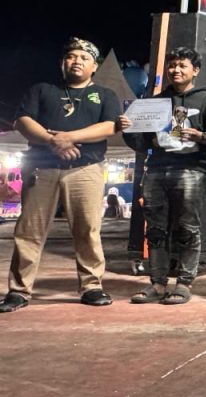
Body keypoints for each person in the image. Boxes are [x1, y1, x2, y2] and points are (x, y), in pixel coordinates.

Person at [0, 38, 119, 313]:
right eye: (71, 56)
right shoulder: (42, 89)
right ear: (62, 62)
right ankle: (19, 290)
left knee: (87, 229)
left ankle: (91, 286)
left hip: (86, 169)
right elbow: (23, 121)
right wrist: (52, 141)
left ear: (94, 67)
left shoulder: (104, 94)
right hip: (42, 167)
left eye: (84, 58)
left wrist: (69, 137)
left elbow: (109, 126)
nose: (76, 61)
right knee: (29, 230)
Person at [120, 47, 206, 305]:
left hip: (192, 169)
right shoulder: (155, 102)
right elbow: (142, 143)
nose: (176, 70)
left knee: (188, 228)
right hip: (156, 168)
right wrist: (128, 131)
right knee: (155, 230)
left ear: (195, 70)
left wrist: (203, 136)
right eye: (172, 65)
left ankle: (185, 283)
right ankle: (157, 283)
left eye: (182, 65)